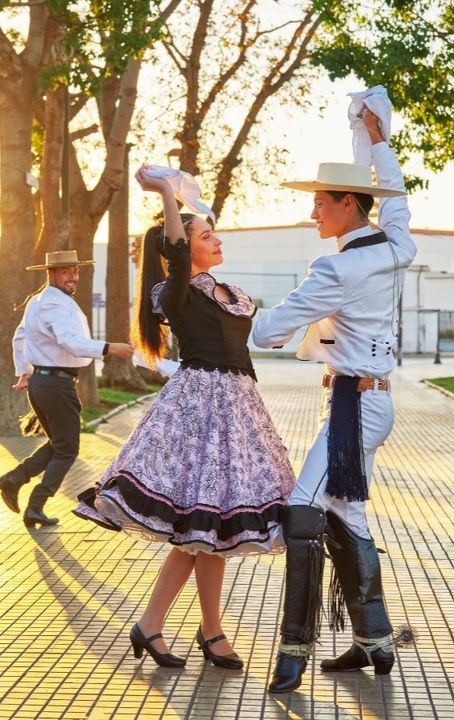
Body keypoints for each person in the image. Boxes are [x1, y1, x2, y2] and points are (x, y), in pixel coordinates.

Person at [74, 165, 297, 669]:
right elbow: (175, 254)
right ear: (182, 246)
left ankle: (180, 628)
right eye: (206, 235)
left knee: (208, 535)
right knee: (200, 531)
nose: (215, 240)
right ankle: (183, 628)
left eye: (213, 233)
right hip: (198, 412)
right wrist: (168, 196)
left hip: (239, 411)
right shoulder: (175, 292)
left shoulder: (227, 290)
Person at [251, 108, 416, 693]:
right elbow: (393, 196)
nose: (313, 209)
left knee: (303, 509)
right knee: (348, 513)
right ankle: (373, 641)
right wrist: (375, 141)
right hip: (366, 403)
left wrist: (232, 305)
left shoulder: (337, 266)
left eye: (321, 200)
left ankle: (293, 650)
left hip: (356, 412)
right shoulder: (396, 242)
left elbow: (267, 332)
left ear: (349, 203)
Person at [2, 251, 134, 529]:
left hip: (44, 380)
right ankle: (34, 503)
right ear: (51, 273)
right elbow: (69, 340)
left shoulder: (39, 301)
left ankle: (15, 481)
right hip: (55, 383)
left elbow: (20, 337)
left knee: (59, 444)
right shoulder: (54, 305)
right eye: (66, 272)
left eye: (75, 271)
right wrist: (109, 348)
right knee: (67, 450)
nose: (73, 276)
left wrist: (24, 372)